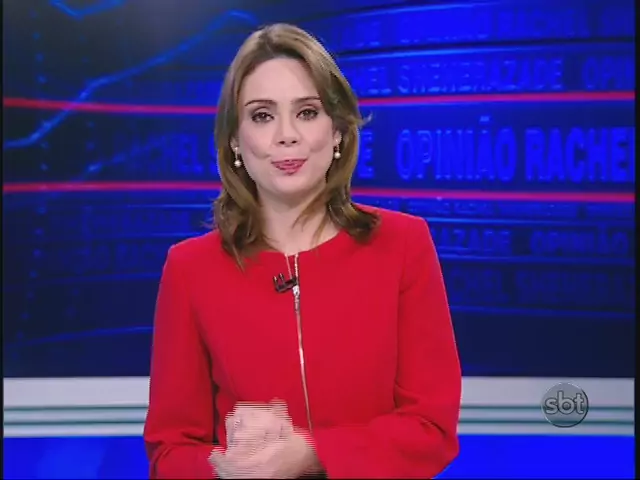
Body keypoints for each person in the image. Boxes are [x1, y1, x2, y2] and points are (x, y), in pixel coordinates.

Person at [143, 22, 461, 479]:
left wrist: (312, 454)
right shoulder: (191, 269)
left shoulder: (403, 245)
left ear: (338, 131)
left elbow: (431, 429)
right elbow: (170, 453)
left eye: (307, 112)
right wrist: (227, 467)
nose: (286, 135)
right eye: (262, 116)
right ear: (235, 141)